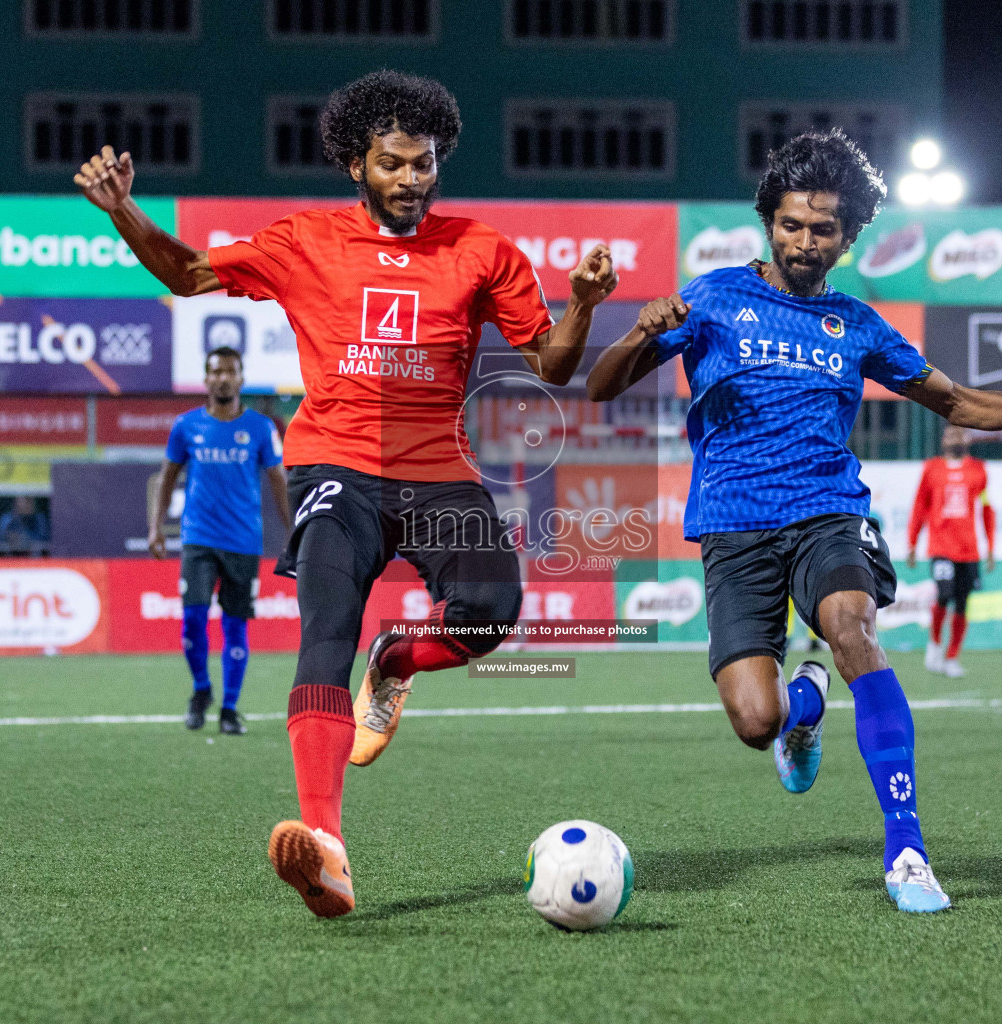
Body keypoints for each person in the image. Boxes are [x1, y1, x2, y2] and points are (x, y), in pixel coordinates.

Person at [76, 69, 617, 918]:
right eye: (393, 163)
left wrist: (582, 306)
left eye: (424, 163)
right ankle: (326, 847)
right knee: (326, 624)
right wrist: (124, 212)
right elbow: (185, 276)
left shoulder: (483, 249)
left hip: (439, 468)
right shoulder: (302, 241)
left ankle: (398, 659)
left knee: (490, 610)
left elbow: (551, 364)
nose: (411, 179)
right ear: (355, 164)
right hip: (333, 464)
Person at [586, 129, 1002, 914]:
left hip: (828, 511)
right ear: (769, 222)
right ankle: (806, 707)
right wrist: (643, 331)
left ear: (848, 238)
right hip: (733, 524)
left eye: (824, 229)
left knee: (853, 627)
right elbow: (600, 388)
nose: (805, 241)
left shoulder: (856, 324)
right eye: (791, 224)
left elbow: (951, 401)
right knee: (756, 719)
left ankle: (908, 848)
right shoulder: (713, 299)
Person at [149, 349, 290, 737]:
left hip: (243, 541)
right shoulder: (186, 426)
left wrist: (292, 531)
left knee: (235, 626)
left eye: (230, 371)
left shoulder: (261, 428)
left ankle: (229, 707)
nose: (223, 378)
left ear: (241, 378)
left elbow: (278, 481)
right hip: (198, 539)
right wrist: (156, 527)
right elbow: (167, 477)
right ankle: (201, 690)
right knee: (192, 622)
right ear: (206, 379)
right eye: (216, 372)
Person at [906, 425, 995, 678]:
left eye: (960, 433)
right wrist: (912, 543)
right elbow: (919, 507)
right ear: (943, 440)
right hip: (941, 547)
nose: (955, 437)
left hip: (969, 550)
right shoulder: (931, 468)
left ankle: (952, 657)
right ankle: (934, 644)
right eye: (950, 434)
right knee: (944, 594)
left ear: (968, 439)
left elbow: (987, 508)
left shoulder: (978, 470)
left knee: (963, 603)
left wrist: (991, 546)